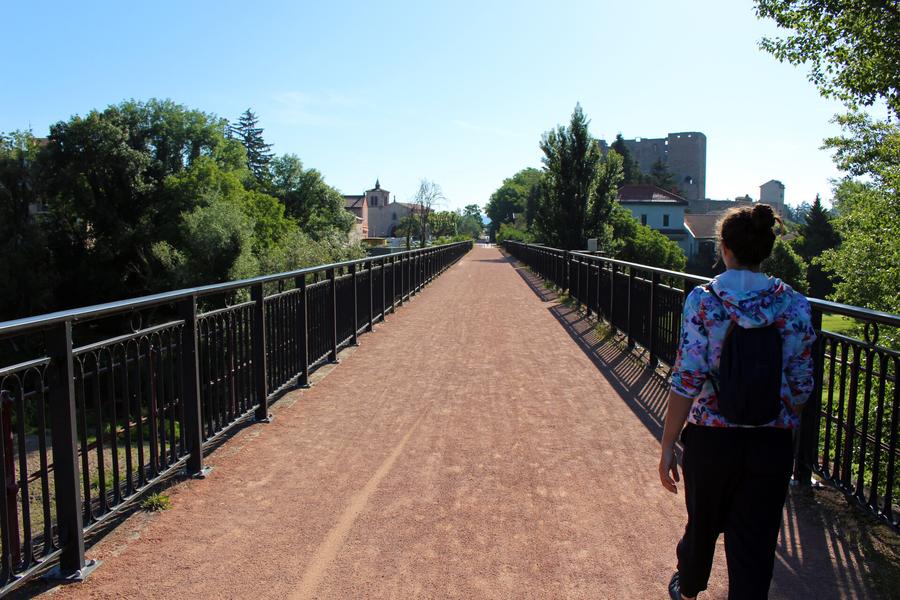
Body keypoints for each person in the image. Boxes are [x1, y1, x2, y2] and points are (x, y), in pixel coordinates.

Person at [658, 204, 816, 600]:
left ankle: (690, 585)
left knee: (703, 522)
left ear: (723, 247)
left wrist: (667, 443)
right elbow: (801, 384)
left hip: (712, 439)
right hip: (770, 440)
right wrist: (779, 427)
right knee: (757, 540)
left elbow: (688, 376)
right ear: (767, 248)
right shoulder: (796, 305)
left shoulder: (704, 300)